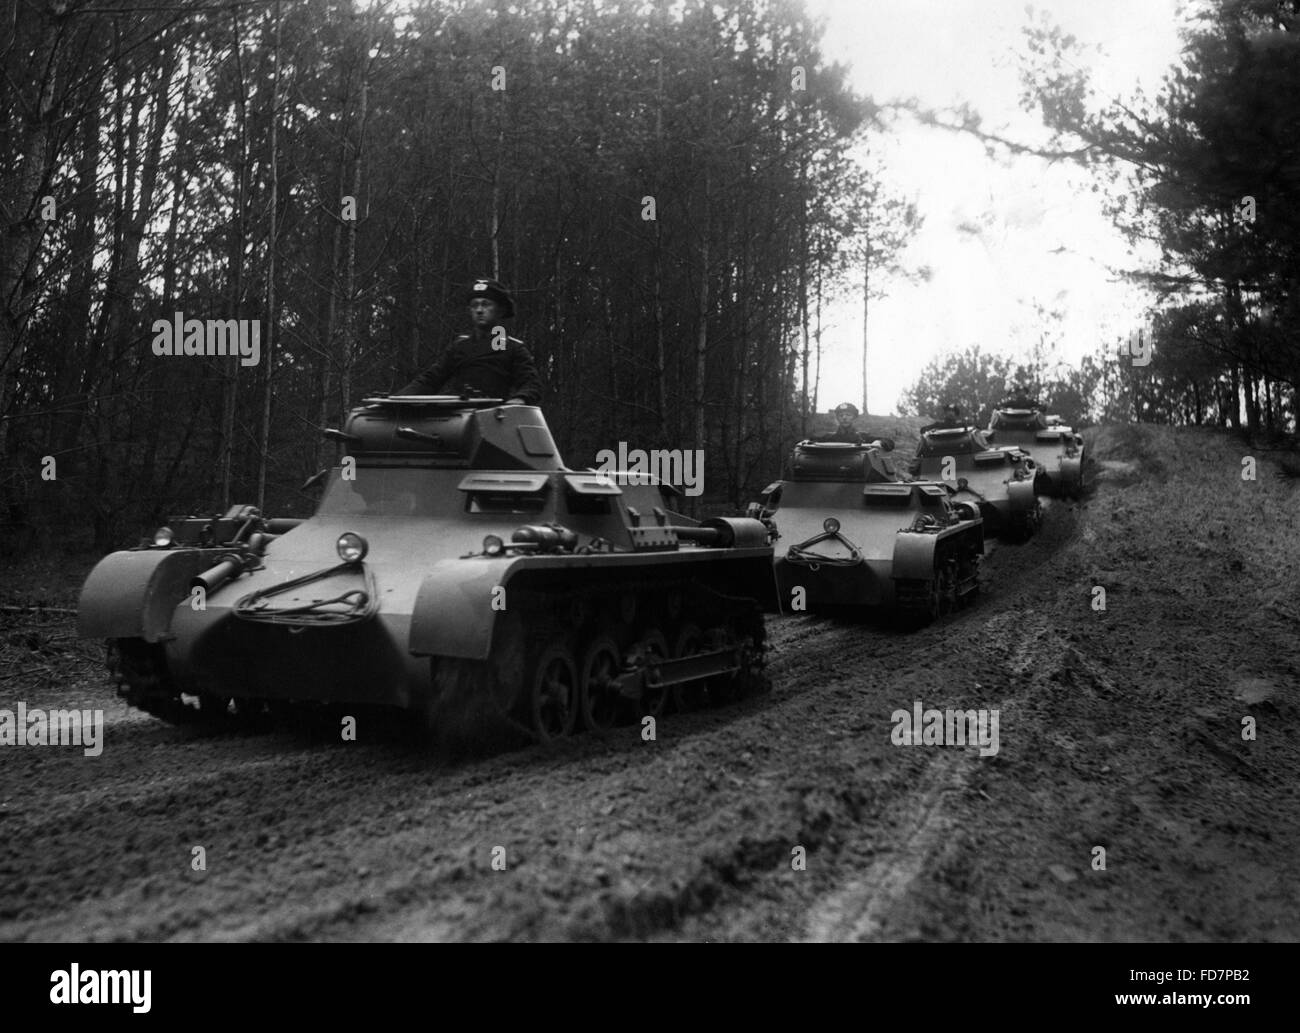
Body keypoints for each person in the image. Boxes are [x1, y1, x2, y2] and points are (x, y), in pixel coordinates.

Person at [396, 278, 542, 404]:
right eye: (475, 305)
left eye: (486, 304)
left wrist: (520, 399)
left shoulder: (512, 348)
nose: (479, 310)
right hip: (459, 418)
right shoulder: (460, 346)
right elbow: (431, 379)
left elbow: (531, 384)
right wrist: (397, 399)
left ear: (500, 310)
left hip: (495, 418)